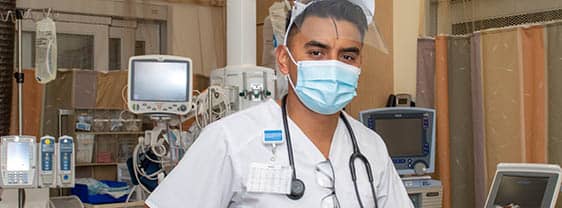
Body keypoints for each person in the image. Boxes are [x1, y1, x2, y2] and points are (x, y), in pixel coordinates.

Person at [145, 0, 413, 207]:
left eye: (346, 55)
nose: (332, 65)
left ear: (359, 63)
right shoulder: (229, 140)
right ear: (284, 59)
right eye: (316, 52)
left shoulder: (370, 147)